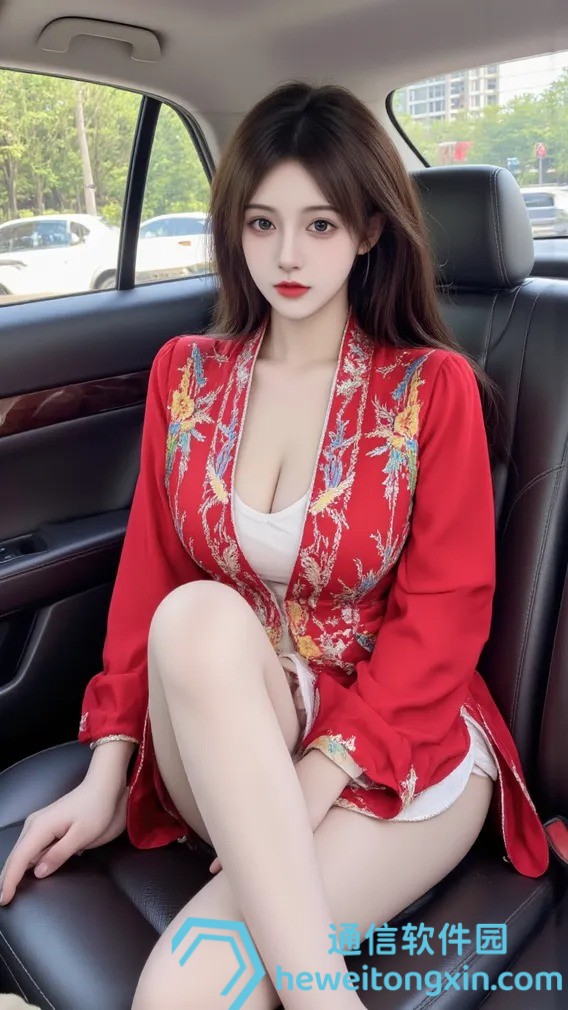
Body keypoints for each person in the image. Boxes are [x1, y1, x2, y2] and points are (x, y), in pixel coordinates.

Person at [0, 81, 550, 1010]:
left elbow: (447, 617)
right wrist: (105, 776)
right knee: (195, 615)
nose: (287, 255)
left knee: (181, 991)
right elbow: (148, 581)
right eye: (262, 223)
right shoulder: (187, 376)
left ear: (368, 231)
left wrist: (316, 780)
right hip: (228, 729)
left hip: (398, 744)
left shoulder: (429, 389)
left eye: (320, 225)